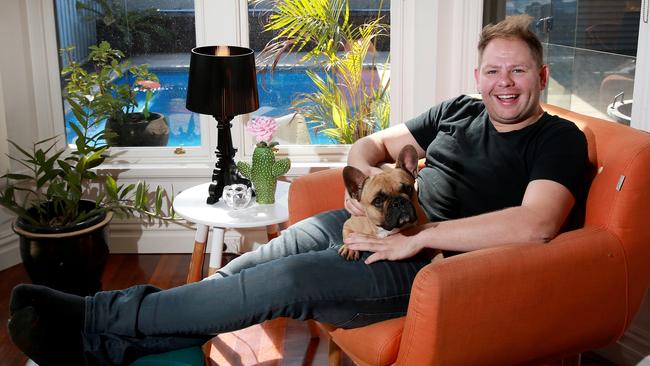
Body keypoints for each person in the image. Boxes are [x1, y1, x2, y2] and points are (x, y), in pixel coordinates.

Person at [8, 14, 588, 366]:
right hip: (377, 229)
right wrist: (360, 191)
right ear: (478, 76)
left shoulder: (557, 138)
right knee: (252, 266)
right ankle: (114, 346)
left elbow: (535, 224)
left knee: (283, 282)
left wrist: (419, 238)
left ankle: (96, 321)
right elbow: (367, 147)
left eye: (517, 72)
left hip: (433, 268)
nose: (504, 84)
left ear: (539, 76)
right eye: (493, 71)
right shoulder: (459, 110)